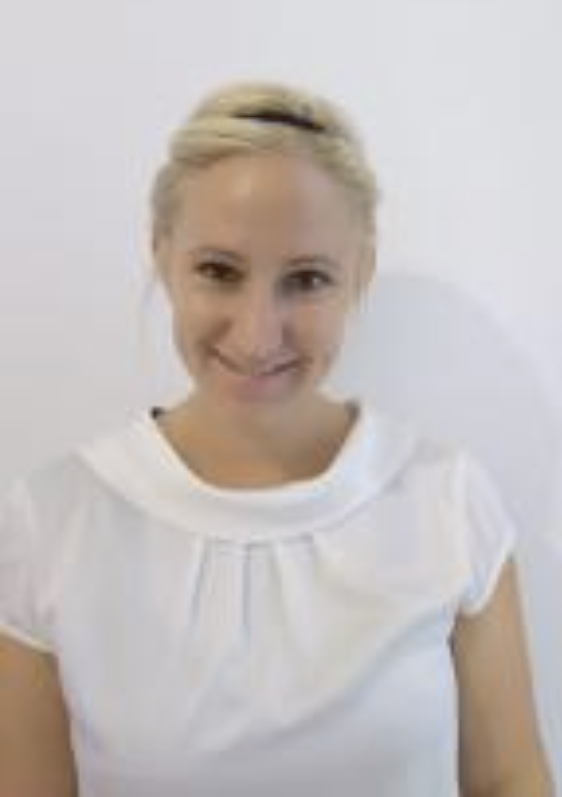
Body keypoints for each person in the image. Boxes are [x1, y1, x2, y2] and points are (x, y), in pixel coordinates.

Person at [0, 81, 553, 797]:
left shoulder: (446, 501)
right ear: (162, 253)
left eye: (307, 279)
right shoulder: (54, 523)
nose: (258, 335)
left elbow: (511, 780)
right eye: (218, 271)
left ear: (360, 273)